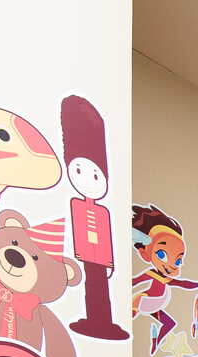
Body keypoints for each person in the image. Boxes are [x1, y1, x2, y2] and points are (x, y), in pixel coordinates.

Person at [60, 95, 127, 340]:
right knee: (92, 289)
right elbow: (78, 231)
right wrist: (79, 254)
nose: (88, 180)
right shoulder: (77, 206)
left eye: (96, 176)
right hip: (87, 256)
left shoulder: (103, 212)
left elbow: (107, 237)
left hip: (100, 258)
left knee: (101, 292)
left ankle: (103, 322)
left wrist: (110, 263)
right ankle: (95, 321)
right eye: (78, 170)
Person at [130, 204, 198, 355]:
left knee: (170, 323)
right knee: (136, 303)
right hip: (145, 301)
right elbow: (135, 281)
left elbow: (183, 284)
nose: (172, 265)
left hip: (155, 305)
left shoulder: (167, 279)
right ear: (145, 254)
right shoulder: (152, 274)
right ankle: (124, 323)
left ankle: (156, 341)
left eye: (178, 261)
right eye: (162, 255)